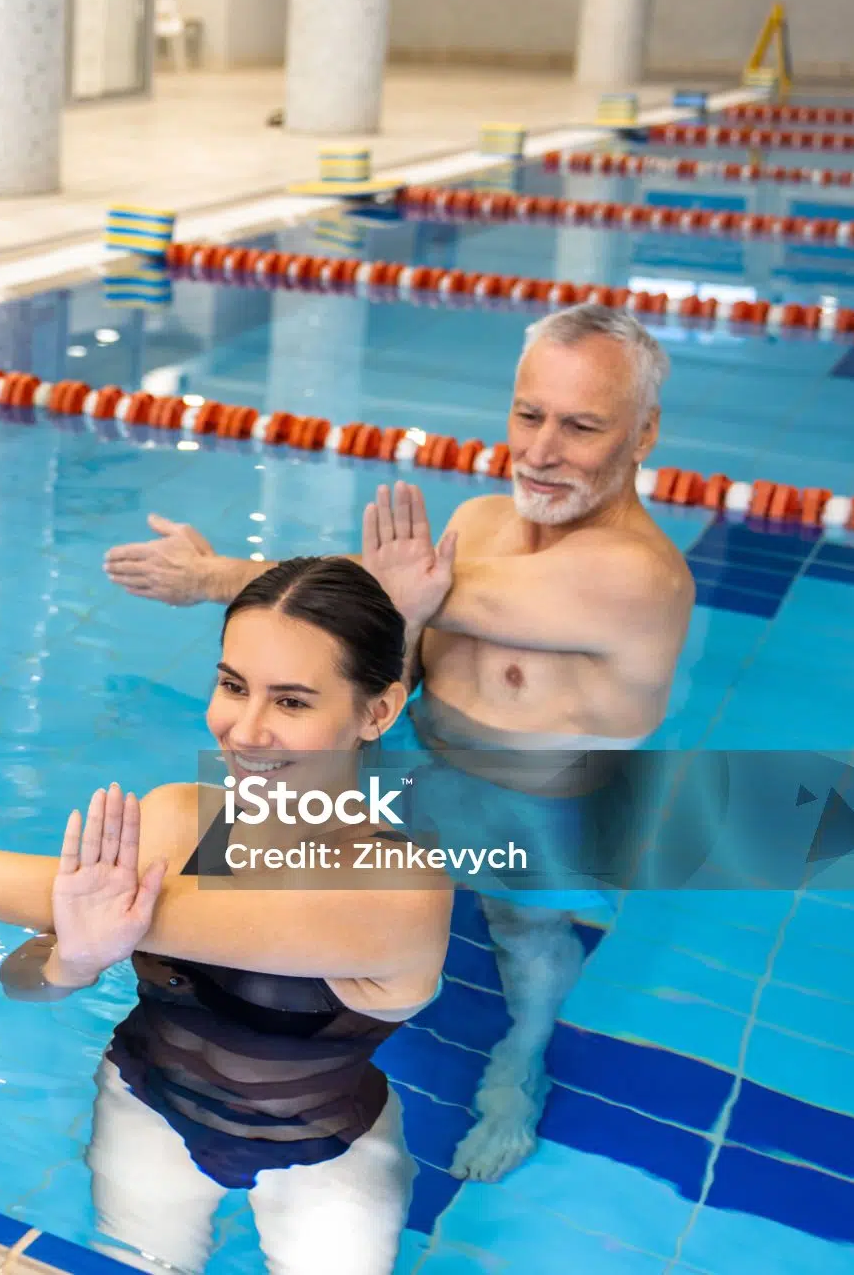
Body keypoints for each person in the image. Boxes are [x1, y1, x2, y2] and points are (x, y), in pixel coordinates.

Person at [102, 302, 695, 1182]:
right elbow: (393, 637)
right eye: (529, 414)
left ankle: (517, 1073)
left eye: (580, 426)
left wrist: (215, 576)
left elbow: (399, 598)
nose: (540, 449)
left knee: (525, 939)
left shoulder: (640, 578)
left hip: (533, 806)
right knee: (247, 856)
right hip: (411, 762)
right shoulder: (487, 521)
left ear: (643, 432)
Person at [0, 558, 452, 1274]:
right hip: (147, 1107)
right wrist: (68, 962)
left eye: (292, 702)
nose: (246, 730)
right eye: (233, 686)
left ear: (378, 711)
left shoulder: (401, 890)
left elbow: (120, 909)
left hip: (326, 1145)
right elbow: (26, 981)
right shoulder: (174, 818)